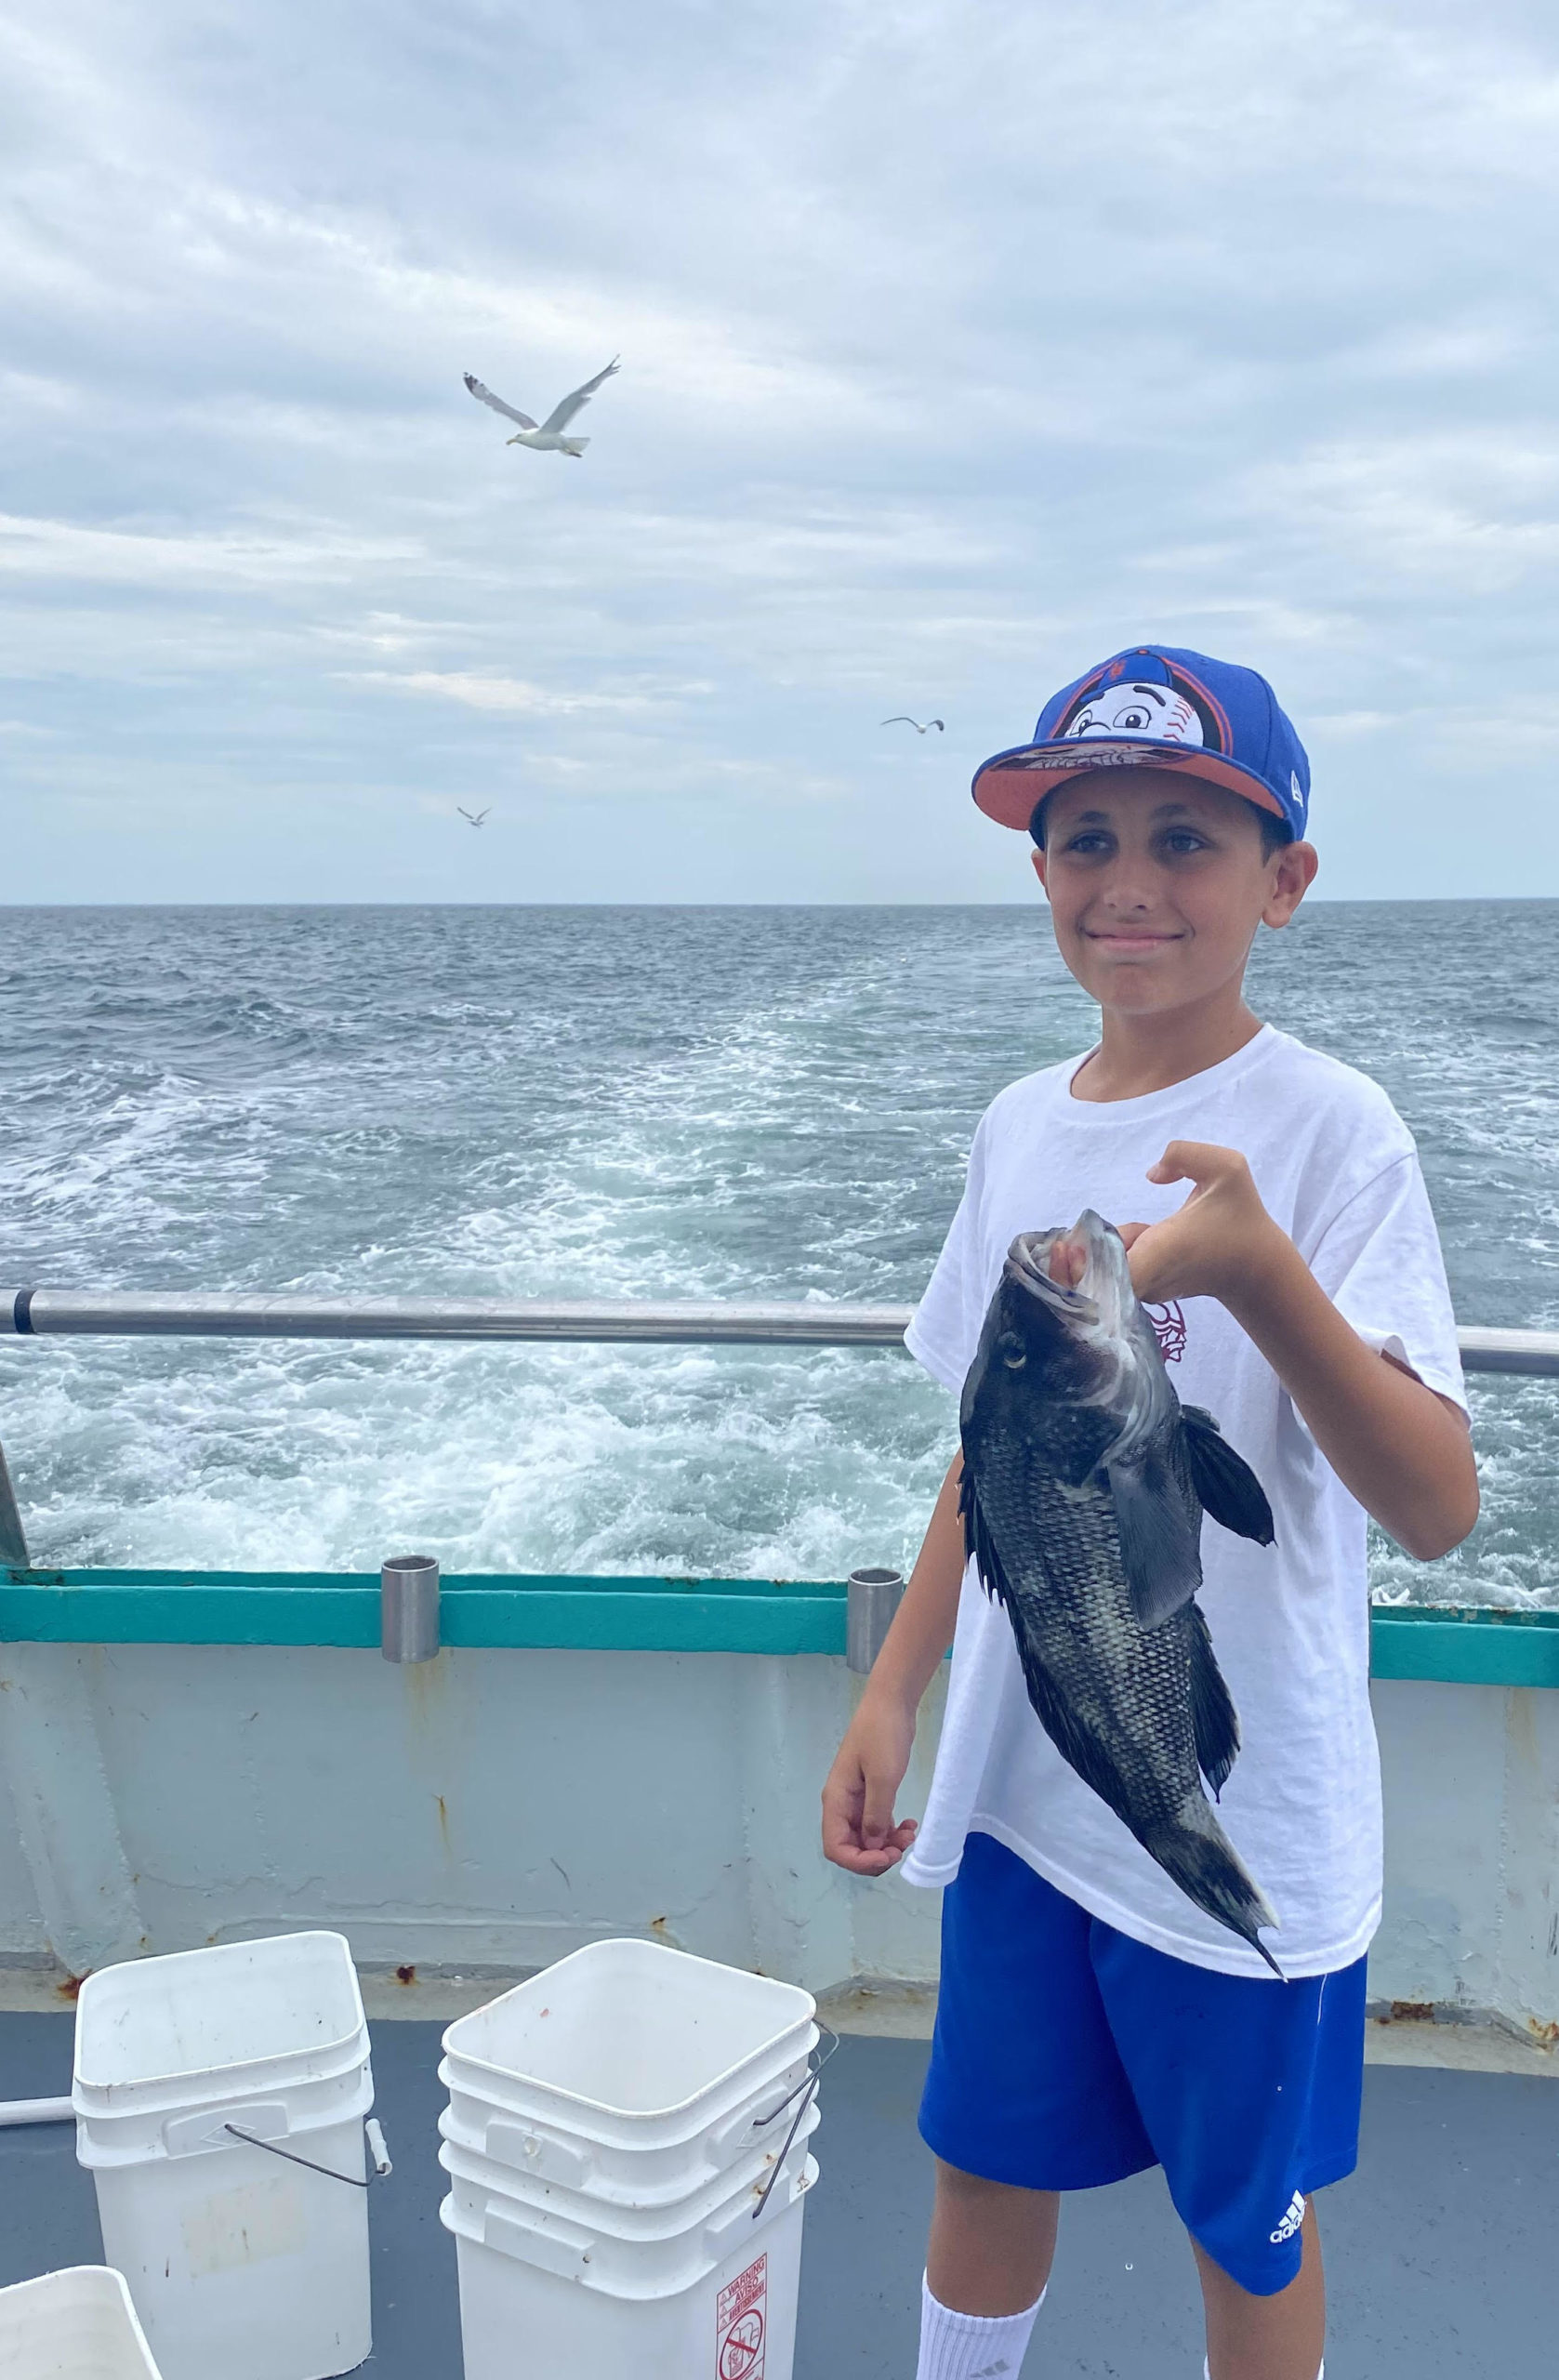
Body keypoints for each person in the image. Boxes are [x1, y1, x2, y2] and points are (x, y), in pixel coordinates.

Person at [821, 645, 1479, 2380]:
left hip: (1245, 1809)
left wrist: (1261, 1274)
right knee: (982, 2160)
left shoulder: (1331, 1132)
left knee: (1243, 2221)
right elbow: (989, 1449)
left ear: (1283, 881)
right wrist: (893, 1690)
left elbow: (1433, 1504)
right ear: (1039, 873)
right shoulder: (1015, 1127)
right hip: (1018, 1786)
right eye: (1085, 838)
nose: (1127, 882)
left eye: (1185, 839)